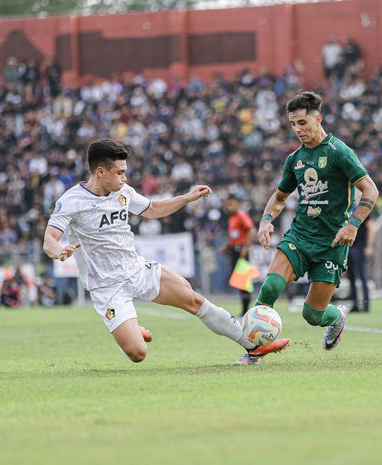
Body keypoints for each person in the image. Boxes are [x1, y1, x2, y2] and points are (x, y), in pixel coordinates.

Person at [43, 139, 289, 365]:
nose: (124, 178)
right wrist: (59, 251)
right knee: (138, 353)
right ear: (100, 171)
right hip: (106, 286)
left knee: (194, 300)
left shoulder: (123, 192)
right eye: (120, 172)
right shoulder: (71, 201)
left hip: (137, 269)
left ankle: (252, 346)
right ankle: (130, 328)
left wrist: (187, 198)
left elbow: (152, 209)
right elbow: (49, 240)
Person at [254, 91, 379, 356]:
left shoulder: (339, 152)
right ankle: (253, 347)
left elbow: (370, 191)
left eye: (302, 123)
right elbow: (279, 197)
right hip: (299, 236)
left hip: (332, 243)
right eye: (292, 124)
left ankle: (337, 317)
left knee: (312, 314)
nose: (297, 129)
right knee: (270, 286)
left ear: (318, 118)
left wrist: (353, 225)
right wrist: (266, 220)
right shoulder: (294, 160)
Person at [221, 193, 256, 315]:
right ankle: (244, 310)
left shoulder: (241, 215)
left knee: (243, 280)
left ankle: (246, 310)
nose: (229, 207)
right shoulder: (231, 218)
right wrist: (227, 245)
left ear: (237, 204)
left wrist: (245, 247)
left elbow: (251, 230)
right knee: (239, 281)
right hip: (235, 251)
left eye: (231, 204)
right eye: (228, 204)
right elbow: (235, 236)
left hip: (241, 252)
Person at [347, 212, 375, 312]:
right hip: (348, 247)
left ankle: (366, 303)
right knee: (351, 276)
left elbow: (371, 227)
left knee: (362, 276)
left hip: (360, 247)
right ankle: (355, 303)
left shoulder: (363, 208)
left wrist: (369, 246)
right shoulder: (348, 208)